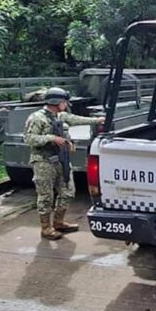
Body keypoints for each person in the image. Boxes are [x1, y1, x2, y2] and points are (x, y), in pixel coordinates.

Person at [23, 87, 105, 240]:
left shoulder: (60, 115)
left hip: (61, 159)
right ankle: (46, 228)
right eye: (64, 102)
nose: (66, 104)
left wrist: (97, 120)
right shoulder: (37, 118)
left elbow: (76, 119)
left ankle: (59, 222)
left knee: (68, 191)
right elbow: (29, 139)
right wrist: (51, 138)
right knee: (46, 196)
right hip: (43, 161)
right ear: (57, 102)